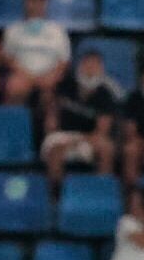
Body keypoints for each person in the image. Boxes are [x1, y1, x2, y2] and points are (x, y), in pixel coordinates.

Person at [41, 49, 119, 185]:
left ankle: (101, 190)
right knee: (56, 149)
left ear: (101, 69)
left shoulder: (106, 94)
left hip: (88, 138)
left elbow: (102, 131)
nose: (91, 69)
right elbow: (51, 121)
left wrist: (77, 141)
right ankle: (57, 194)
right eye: (88, 64)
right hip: (62, 135)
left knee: (106, 148)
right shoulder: (64, 85)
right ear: (81, 65)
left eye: (95, 65)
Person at [1, 0, 70, 113]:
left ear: (46, 2)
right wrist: (27, 76)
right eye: (32, 0)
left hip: (49, 77)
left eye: (40, 0)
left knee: (51, 94)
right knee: (14, 86)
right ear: (25, 1)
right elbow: (8, 59)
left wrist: (51, 77)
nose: (36, 4)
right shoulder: (13, 30)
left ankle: (49, 132)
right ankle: (14, 128)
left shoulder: (58, 31)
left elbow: (64, 62)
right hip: (23, 75)